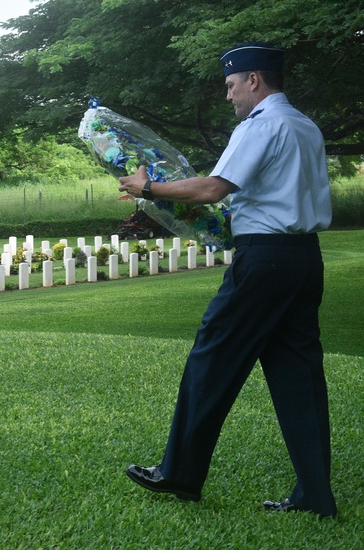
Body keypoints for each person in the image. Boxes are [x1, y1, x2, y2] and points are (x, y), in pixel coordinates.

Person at [116, 43, 337, 518]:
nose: (229, 96)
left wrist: (147, 188)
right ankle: (316, 496)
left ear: (254, 80)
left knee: (211, 359)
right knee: (300, 377)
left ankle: (178, 473)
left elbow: (214, 188)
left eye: (231, 86)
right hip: (303, 260)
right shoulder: (303, 124)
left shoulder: (260, 124)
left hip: (264, 261)